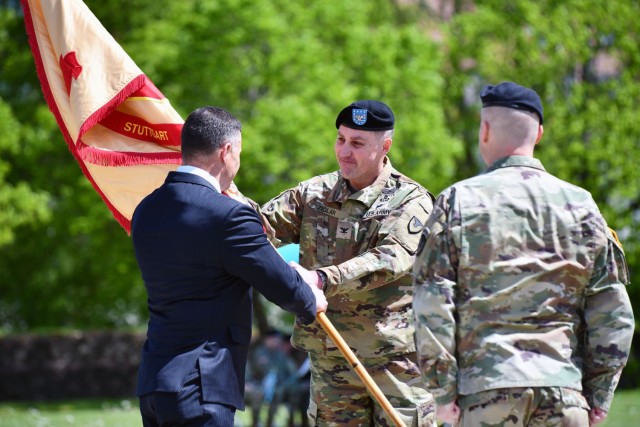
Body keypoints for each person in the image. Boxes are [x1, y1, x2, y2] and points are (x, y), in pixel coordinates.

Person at [412, 81, 635, 426]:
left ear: (484, 130)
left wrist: (442, 393)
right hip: (563, 393)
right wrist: (598, 396)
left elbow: (432, 305)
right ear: (540, 133)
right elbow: (613, 314)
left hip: (485, 395)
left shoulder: (457, 202)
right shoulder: (582, 206)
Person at [131, 106, 328, 427]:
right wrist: (310, 298)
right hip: (201, 384)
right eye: (238, 152)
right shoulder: (229, 215)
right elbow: (278, 284)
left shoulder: (146, 209)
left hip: (155, 382)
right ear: (226, 152)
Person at [261, 100, 437, 426]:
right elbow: (255, 229)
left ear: (385, 146)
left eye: (357, 143)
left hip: (393, 364)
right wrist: (216, 195)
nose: (344, 151)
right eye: (341, 139)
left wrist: (322, 279)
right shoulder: (314, 193)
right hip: (332, 361)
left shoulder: (410, 200)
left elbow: (389, 259)